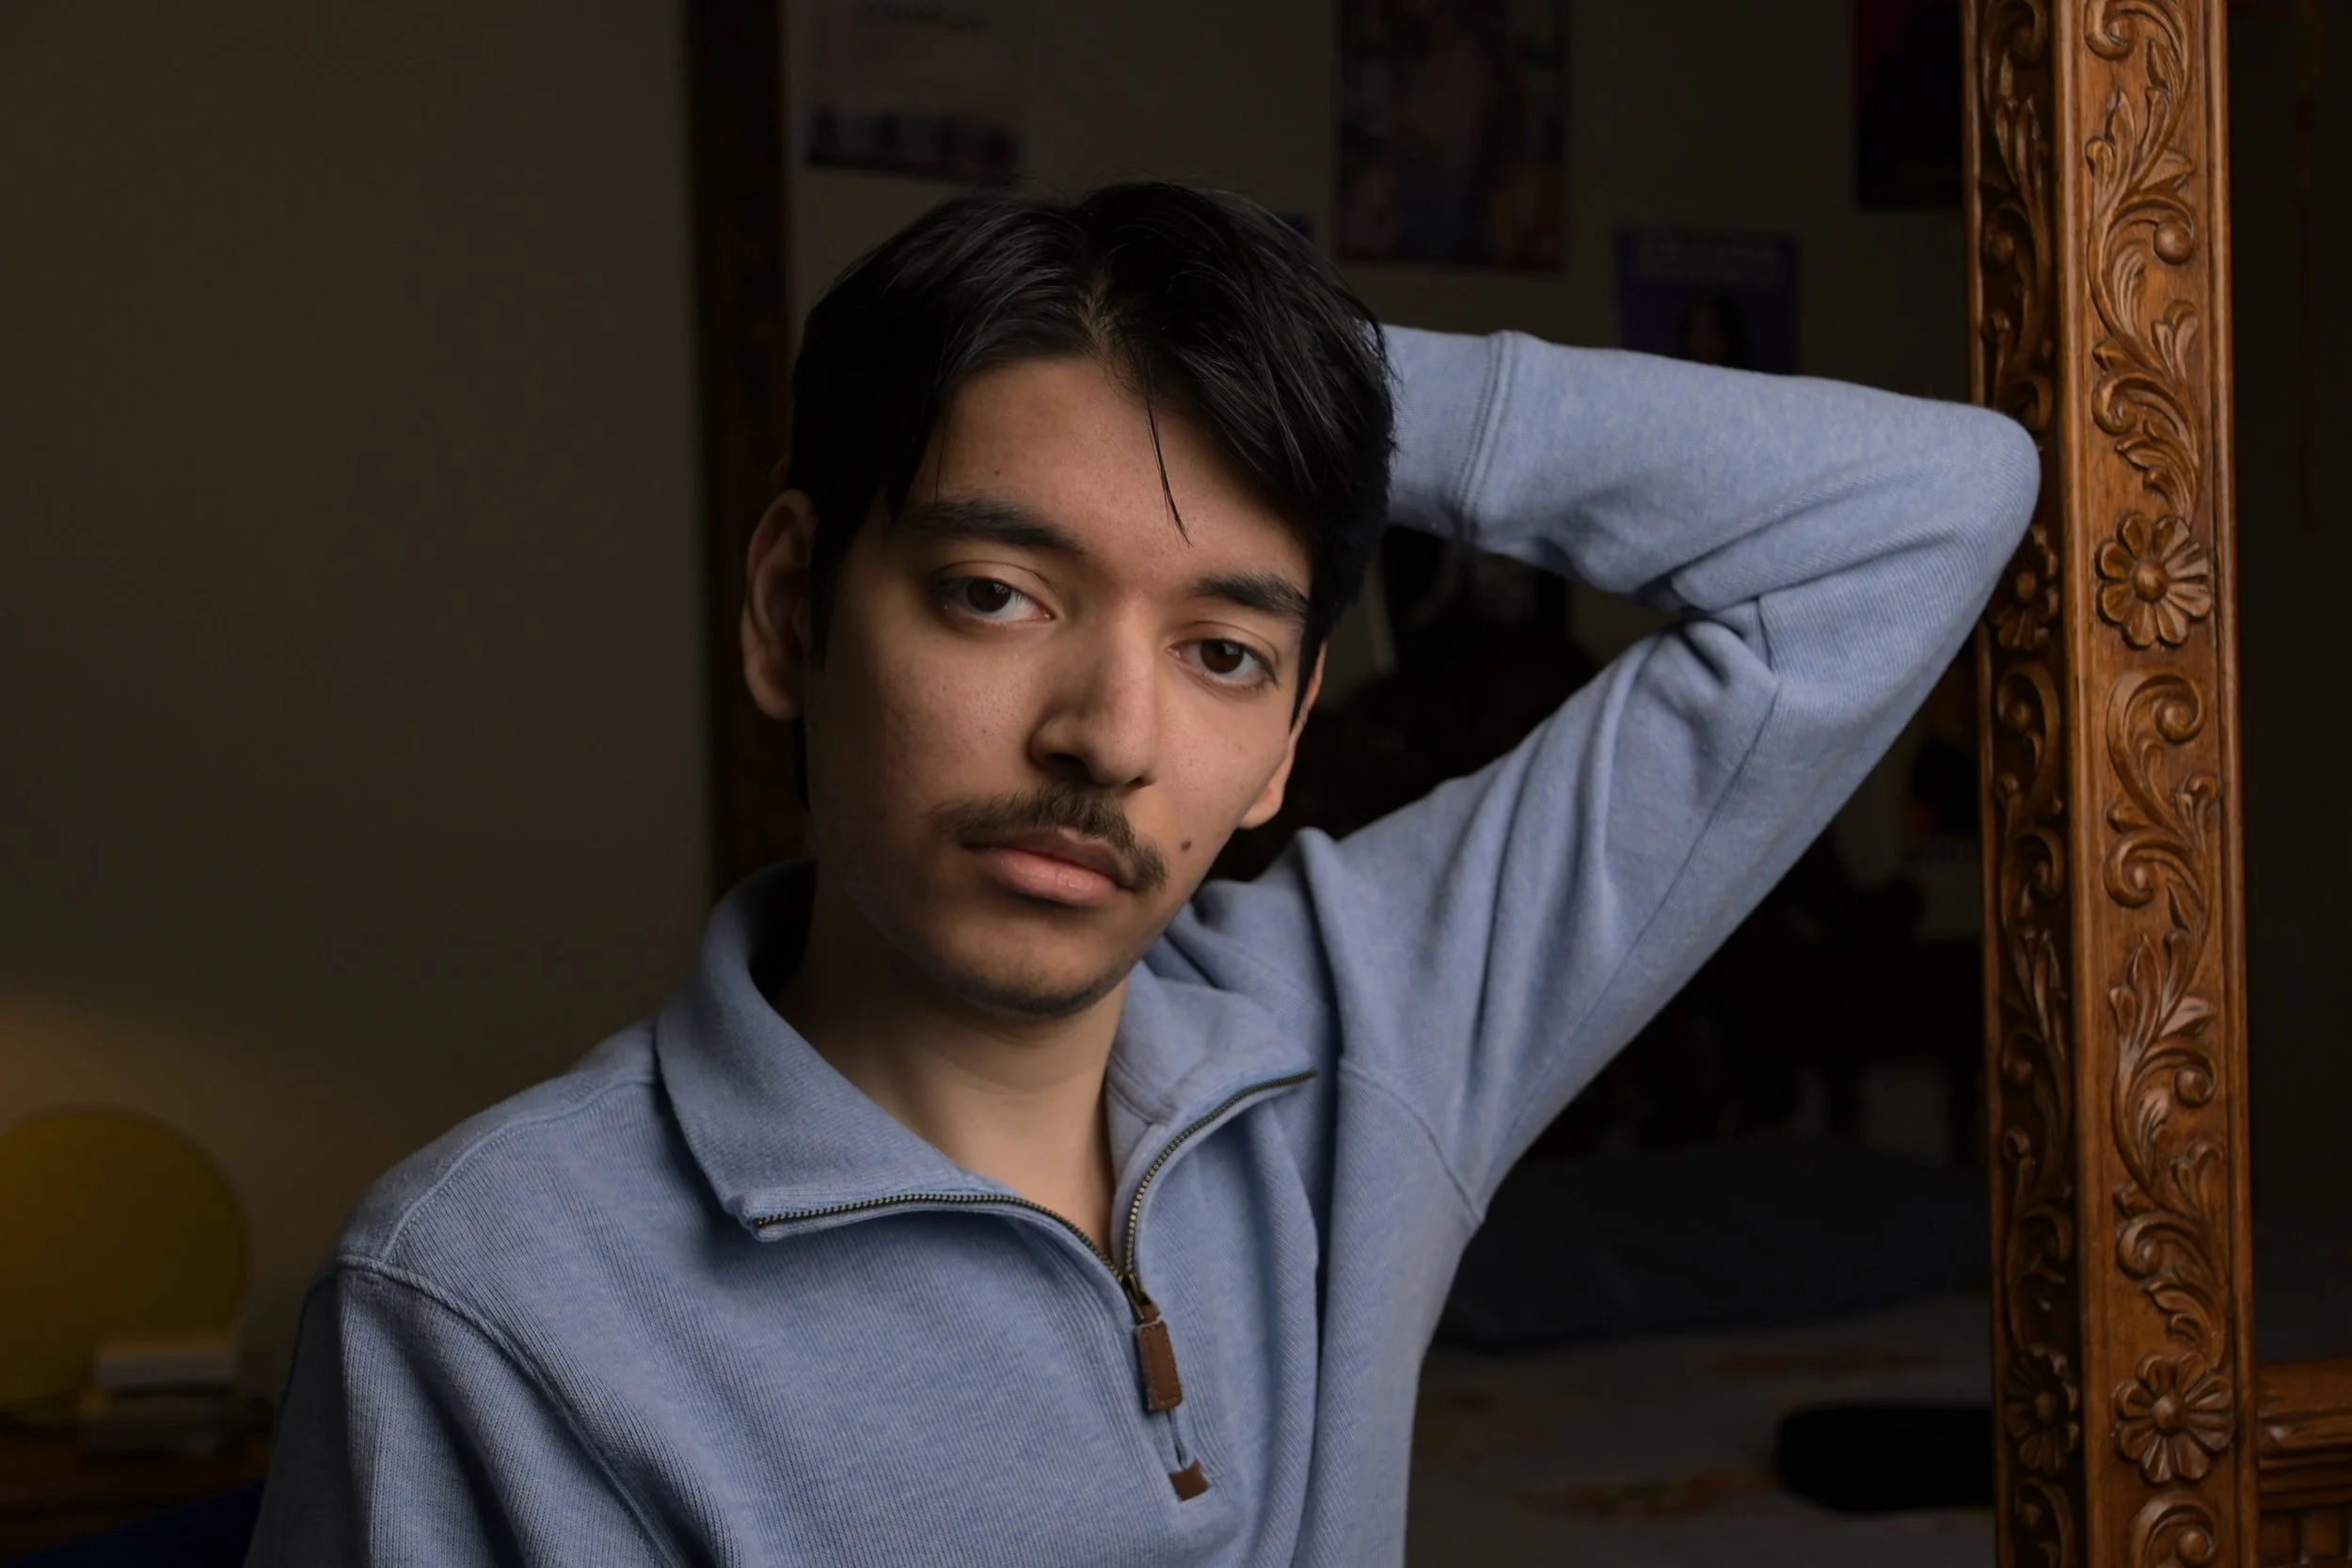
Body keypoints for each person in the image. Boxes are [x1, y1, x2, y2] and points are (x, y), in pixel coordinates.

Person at [242, 181, 2038, 1566]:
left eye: (1223, 651)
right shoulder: (491, 1298)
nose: (1107, 733)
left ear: (1284, 743)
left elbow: (1930, 505)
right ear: (793, 610)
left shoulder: (1361, 1033)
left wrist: (1280, 381)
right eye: (998, 594)